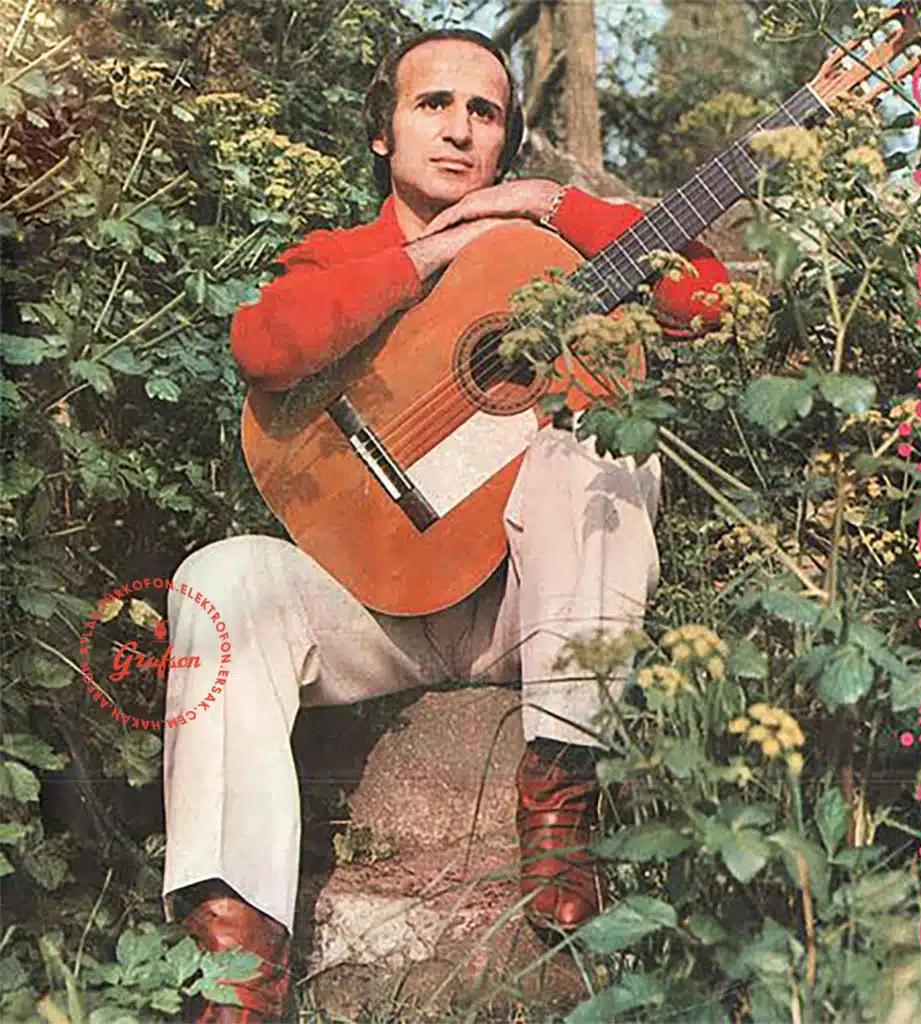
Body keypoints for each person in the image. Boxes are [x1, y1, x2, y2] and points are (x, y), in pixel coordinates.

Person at [162, 28, 727, 1022]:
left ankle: (560, 801)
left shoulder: (551, 256)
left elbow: (706, 297)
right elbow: (264, 345)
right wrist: (435, 253)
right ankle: (238, 964)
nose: (460, 130)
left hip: (522, 609)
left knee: (605, 452)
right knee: (218, 577)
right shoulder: (342, 255)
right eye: (434, 104)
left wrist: (549, 206)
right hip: (374, 607)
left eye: (484, 112)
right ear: (383, 131)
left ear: (507, 141)